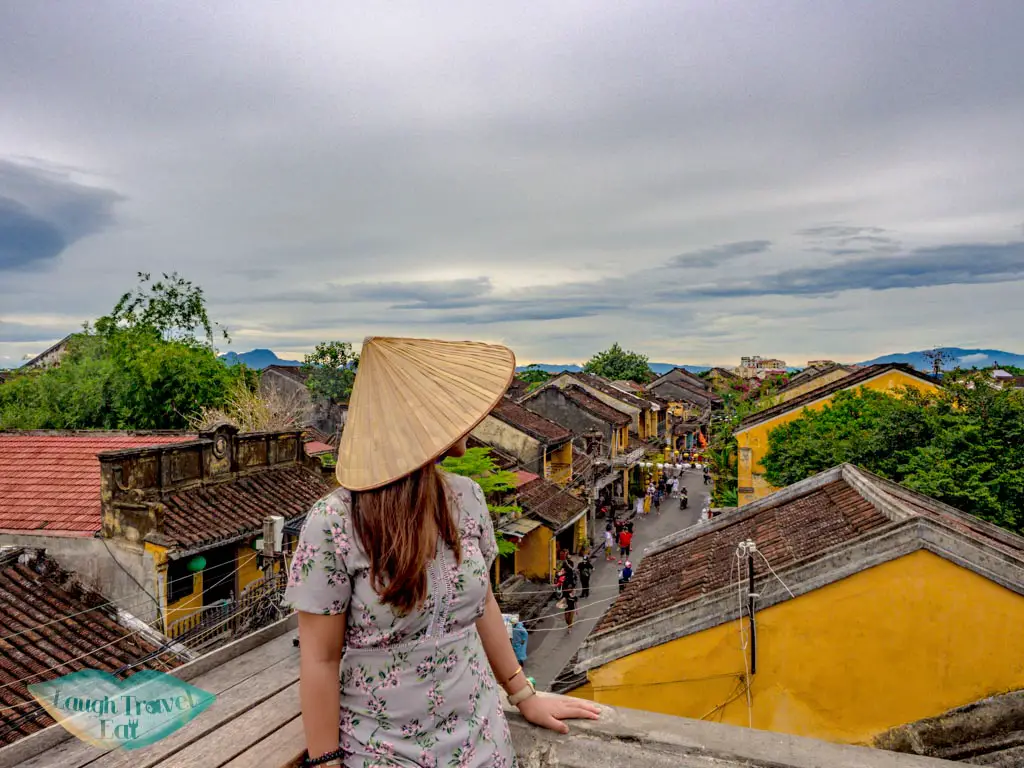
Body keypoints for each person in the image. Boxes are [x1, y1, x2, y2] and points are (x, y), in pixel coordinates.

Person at [286, 336, 599, 768]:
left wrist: (522, 693)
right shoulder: (334, 522)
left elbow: (482, 601)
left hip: (480, 736)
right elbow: (319, 657)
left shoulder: (466, 498)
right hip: (383, 750)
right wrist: (325, 760)